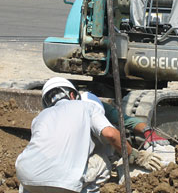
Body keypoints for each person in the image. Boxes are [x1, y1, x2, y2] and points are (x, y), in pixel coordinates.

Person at [15, 78, 163, 193]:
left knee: (31, 169)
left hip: (26, 177)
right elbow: (111, 134)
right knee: (103, 163)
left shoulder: (40, 117)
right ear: (73, 94)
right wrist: (136, 156)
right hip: (63, 182)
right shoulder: (86, 106)